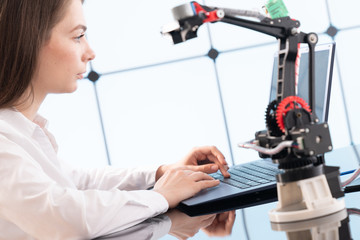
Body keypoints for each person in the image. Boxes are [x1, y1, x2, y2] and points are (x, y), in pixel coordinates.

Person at [0, 0, 230, 239]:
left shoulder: (22, 131)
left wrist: (162, 174)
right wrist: (160, 196)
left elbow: (78, 182)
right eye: (78, 36)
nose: (90, 52)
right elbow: (64, 218)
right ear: (28, 41)